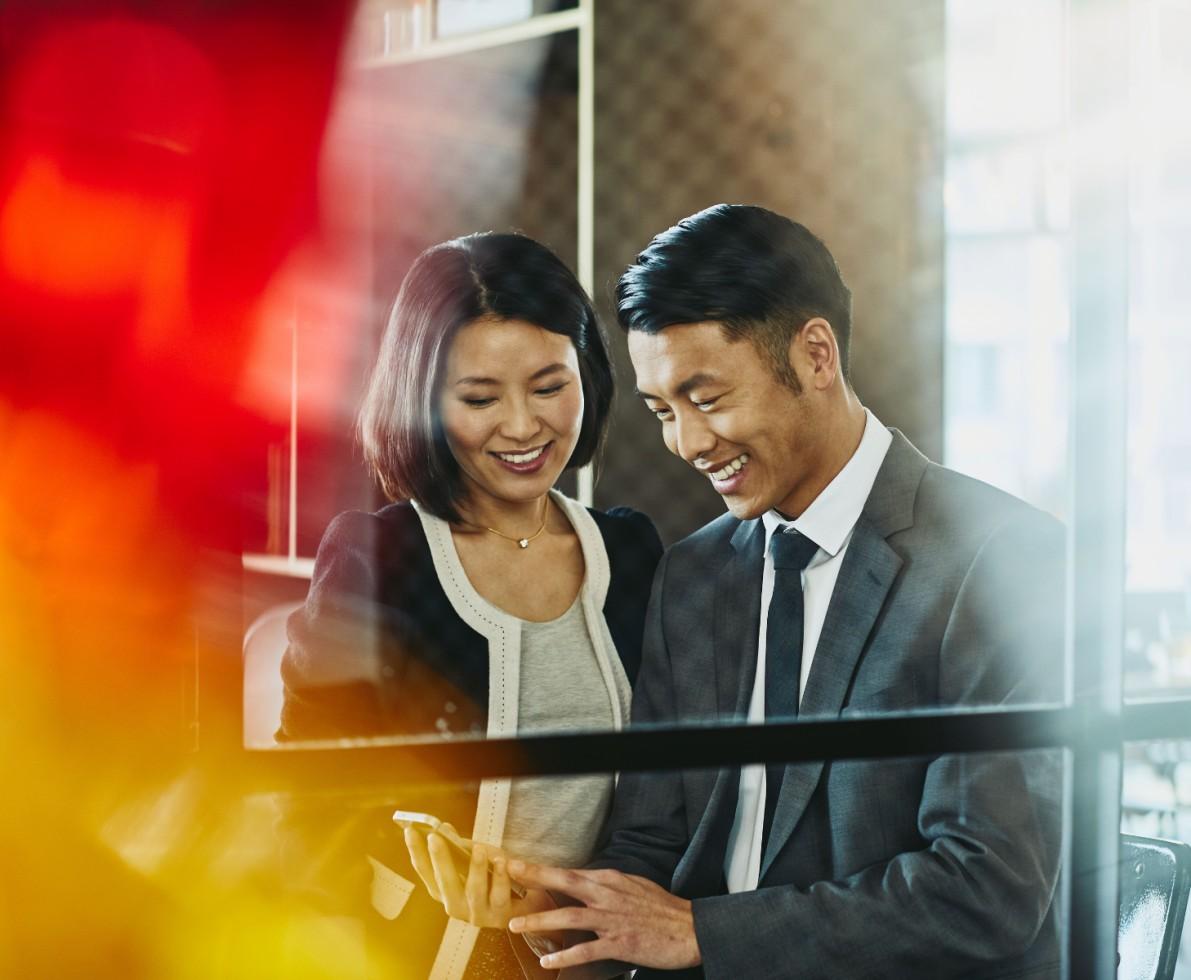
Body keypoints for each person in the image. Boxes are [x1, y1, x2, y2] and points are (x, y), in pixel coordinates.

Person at [485, 204, 1064, 978]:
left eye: (708, 398)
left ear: (815, 355)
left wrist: (705, 935)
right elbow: (655, 844)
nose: (688, 443)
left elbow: (983, 889)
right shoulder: (692, 575)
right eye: (663, 410)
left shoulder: (997, 559)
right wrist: (553, 911)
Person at [278, 231, 663, 979]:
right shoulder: (377, 559)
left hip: (604, 964)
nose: (522, 426)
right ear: (423, 400)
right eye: (479, 398)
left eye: (550, 387)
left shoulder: (632, 554)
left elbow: (671, 797)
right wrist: (413, 867)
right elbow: (305, 798)